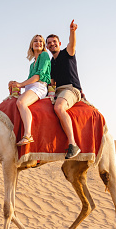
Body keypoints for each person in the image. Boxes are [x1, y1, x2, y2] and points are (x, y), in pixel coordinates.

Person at [47, 20, 85, 159]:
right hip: (58, 91)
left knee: (59, 108)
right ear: (47, 47)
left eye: (54, 42)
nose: (52, 44)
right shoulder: (51, 63)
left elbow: (72, 43)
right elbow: (51, 83)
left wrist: (72, 31)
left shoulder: (67, 52)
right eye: (49, 43)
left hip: (71, 89)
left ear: (59, 43)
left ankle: (73, 144)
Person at [9, 35, 51, 146]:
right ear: (31, 45)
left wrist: (21, 84)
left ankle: (28, 135)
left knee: (21, 102)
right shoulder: (32, 64)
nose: (38, 43)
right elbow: (29, 80)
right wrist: (16, 84)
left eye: (41, 41)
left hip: (40, 86)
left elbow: (38, 76)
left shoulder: (44, 55)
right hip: (31, 86)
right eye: (35, 41)